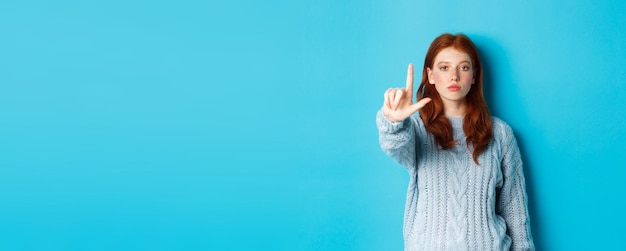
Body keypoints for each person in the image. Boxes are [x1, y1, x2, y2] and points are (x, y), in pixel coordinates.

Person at [376, 33, 534, 251]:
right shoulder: (417, 129)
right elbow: (394, 145)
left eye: (464, 67)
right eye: (444, 68)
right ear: (430, 75)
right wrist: (393, 121)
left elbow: (514, 210)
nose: (454, 77)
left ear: (475, 76)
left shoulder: (500, 134)